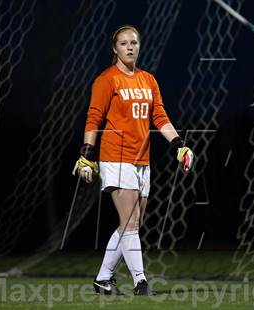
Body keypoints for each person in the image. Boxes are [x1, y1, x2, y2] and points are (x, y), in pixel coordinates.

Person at [72, 25, 194, 296]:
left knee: (130, 223)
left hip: (142, 160)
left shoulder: (148, 80)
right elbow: (94, 118)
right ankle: (141, 281)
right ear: (114, 49)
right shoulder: (107, 80)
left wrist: (179, 146)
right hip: (115, 157)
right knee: (130, 222)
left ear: (139, 46)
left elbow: (160, 117)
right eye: (124, 43)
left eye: (134, 42)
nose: (130, 47)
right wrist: (86, 153)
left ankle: (103, 278)